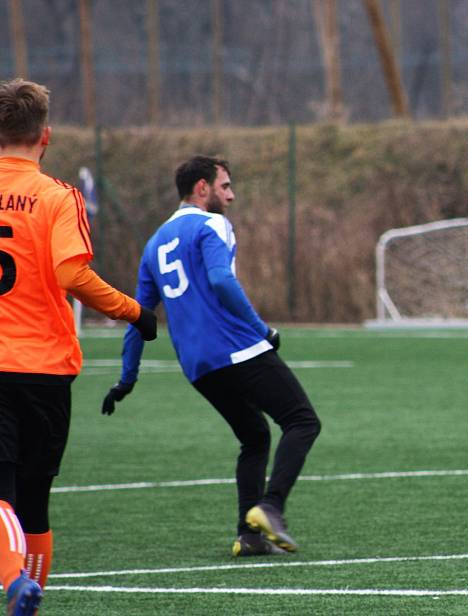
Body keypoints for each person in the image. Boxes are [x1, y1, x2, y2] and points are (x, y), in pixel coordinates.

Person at [102, 155, 321, 557]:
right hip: (236, 347)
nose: (231, 196)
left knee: (254, 436)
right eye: (225, 186)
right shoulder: (211, 224)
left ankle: (250, 536)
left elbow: (138, 317)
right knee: (302, 421)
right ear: (202, 188)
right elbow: (222, 279)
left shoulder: (154, 244)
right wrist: (262, 329)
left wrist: (126, 379)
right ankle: (270, 507)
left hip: (198, 366)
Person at [0, 78, 157, 615]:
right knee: (36, 502)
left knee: (1, 496)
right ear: (45, 136)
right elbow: (72, 272)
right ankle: (29, 598)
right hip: (44, 367)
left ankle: (14, 583)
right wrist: (133, 311)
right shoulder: (56, 196)